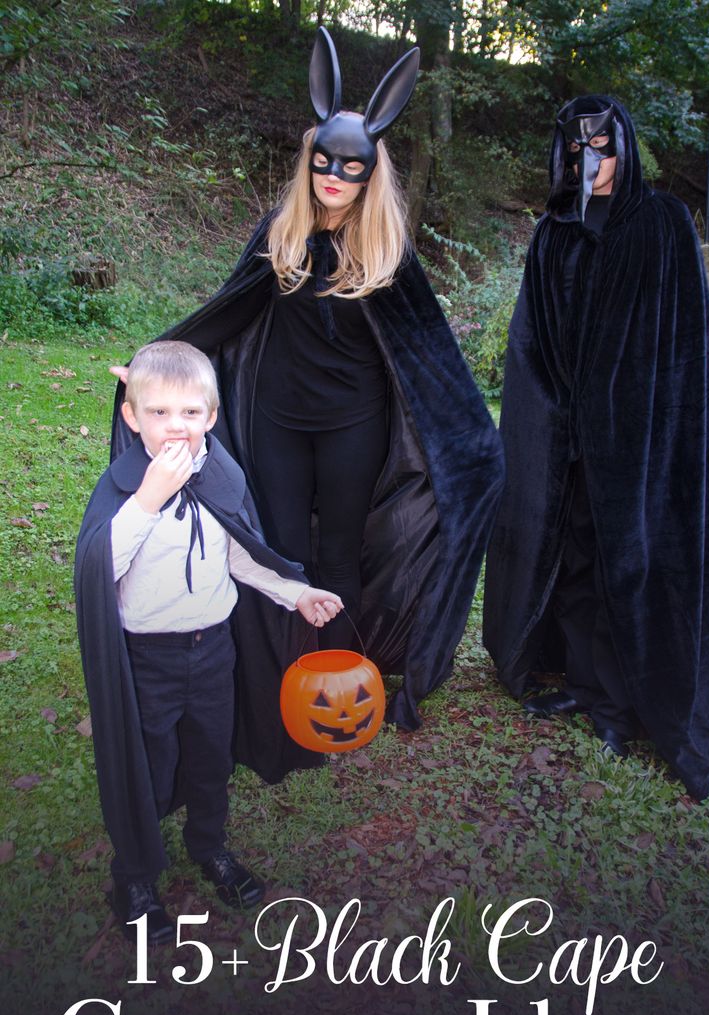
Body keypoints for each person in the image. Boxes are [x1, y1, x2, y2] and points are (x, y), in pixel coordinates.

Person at [110, 27, 504, 784]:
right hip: (280, 423)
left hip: (354, 425)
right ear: (310, 162)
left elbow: (431, 355)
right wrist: (155, 367)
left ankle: (337, 678)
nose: (332, 178)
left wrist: (472, 442)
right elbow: (225, 314)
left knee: (338, 554)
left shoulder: (387, 252)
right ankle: (279, 688)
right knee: (280, 550)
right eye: (323, 164)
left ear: (369, 172)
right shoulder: (280, 233)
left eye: (349, 169)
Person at [483, 95, 709, 800]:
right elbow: (533, 339)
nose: (589, 160)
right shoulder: (555, 231)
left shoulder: (662, 223)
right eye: (576, 150)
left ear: (624, 146)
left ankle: (623, 706)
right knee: (575, 558)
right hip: (569, 429)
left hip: (640, 433)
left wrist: (640, 419)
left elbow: (682, 340)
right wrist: (550, 418)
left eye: (603, 145)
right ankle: (588, 686)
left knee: (633, 565)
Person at [76, 341, 342, 942]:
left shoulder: (219, 474)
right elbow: (100, 568)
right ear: (132, 417)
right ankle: (135, 874)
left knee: (208, 757)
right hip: (148, 659)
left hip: (213, 649)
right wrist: (148, 500)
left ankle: (209, 845)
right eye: (160, 413)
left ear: (212, 417)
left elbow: (241, 554)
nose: (176, 427)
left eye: (190, 413)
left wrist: (293, 593)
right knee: (147, 763)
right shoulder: (122, 489)